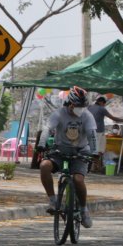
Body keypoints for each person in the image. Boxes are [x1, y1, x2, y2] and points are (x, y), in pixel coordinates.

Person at [40, 85, 98, 227]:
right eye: (78, 105)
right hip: (60, 150)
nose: (81, 108)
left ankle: (84, 210)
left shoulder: (87, 116)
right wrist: (42, 144)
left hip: (80, 152)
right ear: (71, 104)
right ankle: (53, 200)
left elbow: (92, 135)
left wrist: (95, 152)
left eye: (83, 106)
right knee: (44, 166)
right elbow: (47, 128)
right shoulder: (59, 114)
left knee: (78, 179)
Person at [86, 96, 123, 171]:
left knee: (95, 150)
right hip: (98, 131)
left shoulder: (89, 107)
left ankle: (94, 167)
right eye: (104, 103)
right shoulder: (101, 109)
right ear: (101, 102)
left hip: (90, 130)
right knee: (98, 151)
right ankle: (95, 167)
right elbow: (113, 118)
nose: (104, 105)